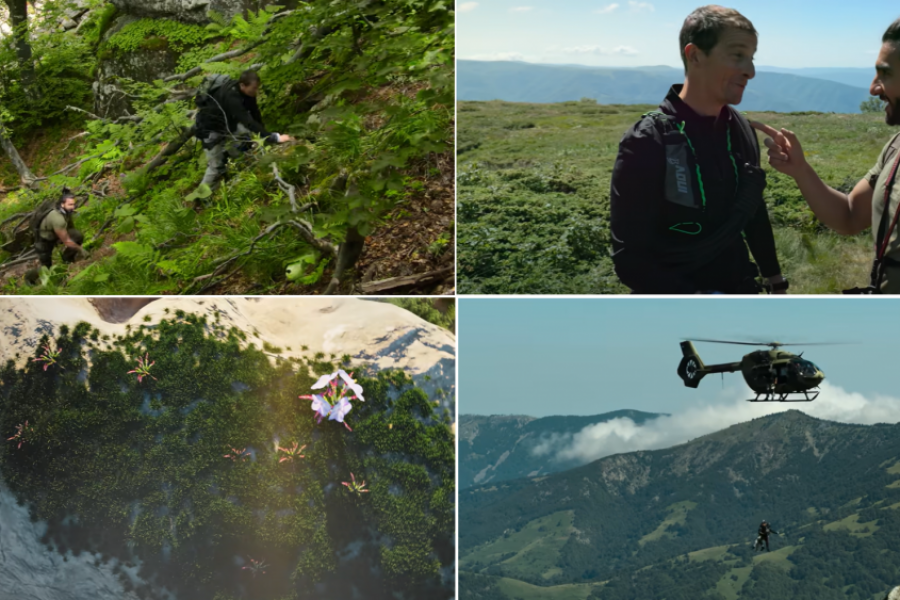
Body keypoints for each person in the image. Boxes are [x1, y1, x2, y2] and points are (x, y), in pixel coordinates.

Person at [609, 5, 787, 294]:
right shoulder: (648, 140)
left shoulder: (740, 130)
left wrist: (774, 278)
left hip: (739, 290)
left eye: (751, 58)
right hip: (673, 311)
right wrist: (698, 304)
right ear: (695, 56)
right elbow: (629, 257)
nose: (750, 71)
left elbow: (751, 210)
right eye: (737, 55)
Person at [752, 18, 900, 294]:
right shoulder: (895, 148)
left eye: (885, 74)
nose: (873, 88)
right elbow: (849, 215)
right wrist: (801, 170)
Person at [194, 69, 294, 194]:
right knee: (215, 166)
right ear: (242, 85)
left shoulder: (248, 93)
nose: (256, 91)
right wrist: (274, 138)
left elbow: (255, 114)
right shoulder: (232, 97)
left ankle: (234, 162)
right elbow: (247, 121)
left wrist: (263, 134)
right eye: (254, 88)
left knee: (245, 139)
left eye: (257, 88)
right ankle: (201, 196)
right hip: (210, 130)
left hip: (227, 125)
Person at [33, 189, 87, 269]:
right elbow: (67, 241)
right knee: (46, 267)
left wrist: (75, 242)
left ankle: (67, 258)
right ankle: (29, 277)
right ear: (62, 204)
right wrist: (81, 250)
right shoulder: (58, 218)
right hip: (44, 240)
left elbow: (71, 227)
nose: (73, 207)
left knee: (77, 236)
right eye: (70, 205)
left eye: (73, 204)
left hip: (56, 234)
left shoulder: (66, 212)